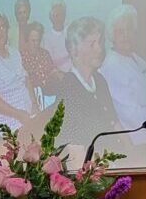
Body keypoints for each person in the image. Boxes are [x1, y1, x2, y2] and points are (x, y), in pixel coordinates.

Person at [43, 17, 122, 150]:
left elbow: (113, 121)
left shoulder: (99, 80)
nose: (99, 49)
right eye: (92, 44)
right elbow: (70, 143)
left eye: (100, 42)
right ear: (74, 50)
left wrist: (130, 149)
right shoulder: (68, 88)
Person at [0, 12, 38, 136]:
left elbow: (26, 80)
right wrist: (19, 114)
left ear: (7, 29)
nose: (0, 32)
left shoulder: (15, 53)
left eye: (2, 27)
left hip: (27, 112)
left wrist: (34, 103)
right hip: (7, 119)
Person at [99, 4, 146, 130]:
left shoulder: (137, 59)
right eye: (120, 31)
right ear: (112, 35)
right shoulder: (112, 66)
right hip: (136, 134)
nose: (126, 35)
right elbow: (131, 115)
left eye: (129, 29)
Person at [21, 21, 56, 90]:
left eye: (38, 40)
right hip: (31, 91)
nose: (36, 43)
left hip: (49, 89)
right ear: (27, 39)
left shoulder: (45, 54)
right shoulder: (21, 57)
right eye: (33, 40)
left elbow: (52, 71)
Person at [42, 0, 72, 73]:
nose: (59, 18)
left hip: (75, 70)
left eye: (61, 15)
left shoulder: (70, 31)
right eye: (56, 15)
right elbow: (50, 61)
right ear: (51, 17)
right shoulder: (47, 37)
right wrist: (68, 54)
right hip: (58, 73)